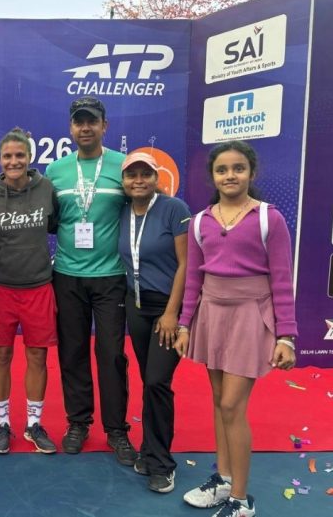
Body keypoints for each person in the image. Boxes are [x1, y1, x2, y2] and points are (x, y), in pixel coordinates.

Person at [176, 141, 297, 517]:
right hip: (211, 316)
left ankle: (241, 501)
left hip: (250, 317)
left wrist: (286, 336)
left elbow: (281, 280)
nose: (230, 175)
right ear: (213, 176)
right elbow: (193, 279)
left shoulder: (269, 219)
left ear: (251, 173)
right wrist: (184, 324)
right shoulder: (200, 221)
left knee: (231, 404)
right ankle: (224, 479)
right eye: (222, 169)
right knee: (219, 402)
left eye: (238, 168)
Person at [44, 96, 137, 465]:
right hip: (67, 275)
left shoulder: (124, 166)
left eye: (92, 121)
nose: (85, 128)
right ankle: (78, 423)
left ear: (104, 126)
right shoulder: (56, 170)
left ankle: (116, 430)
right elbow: (48, 219)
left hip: (111, 276)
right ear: (71, 128)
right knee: (73, 352)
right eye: (79, 122)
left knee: (111, 355)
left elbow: (143, 209)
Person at [0, 128, 59, 455]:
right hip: (0, 288)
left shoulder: (46, 189)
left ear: (30, 157)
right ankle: (2, 424)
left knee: (38, 355)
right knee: (1, 355)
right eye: (8, 156)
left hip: (38, 287)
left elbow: (56, 225)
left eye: (20, 155)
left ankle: (33, 424)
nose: (14, 161)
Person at [117, 152, 190, 493]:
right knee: (149, 381)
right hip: (137, 306)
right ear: (124, 181)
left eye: (145, 174)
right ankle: (149, 449)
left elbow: (186, 264)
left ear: (156, 177)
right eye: (131, 175)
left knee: (158, 382)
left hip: (166, 309)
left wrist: (173, 313)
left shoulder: (174, 208)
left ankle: (162, 463)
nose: (138, 180)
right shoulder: (122, 211)